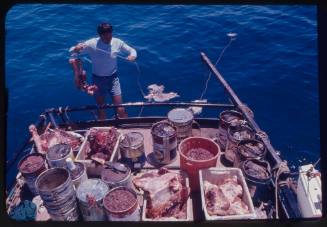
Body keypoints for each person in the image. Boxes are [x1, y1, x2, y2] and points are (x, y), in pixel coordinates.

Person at [69, 22, 137, 119]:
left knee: (120, 108)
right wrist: (76, 48)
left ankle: (124, 126)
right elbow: (71, 51)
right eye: (106, 36)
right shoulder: (92, 43)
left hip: (113, 79)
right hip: (98, 80)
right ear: (100, 35)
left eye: (110, 34)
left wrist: (133, 56)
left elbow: (132, 50)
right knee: (101, 108)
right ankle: (103, 129)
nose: (109, 38)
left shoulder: (117, 42)